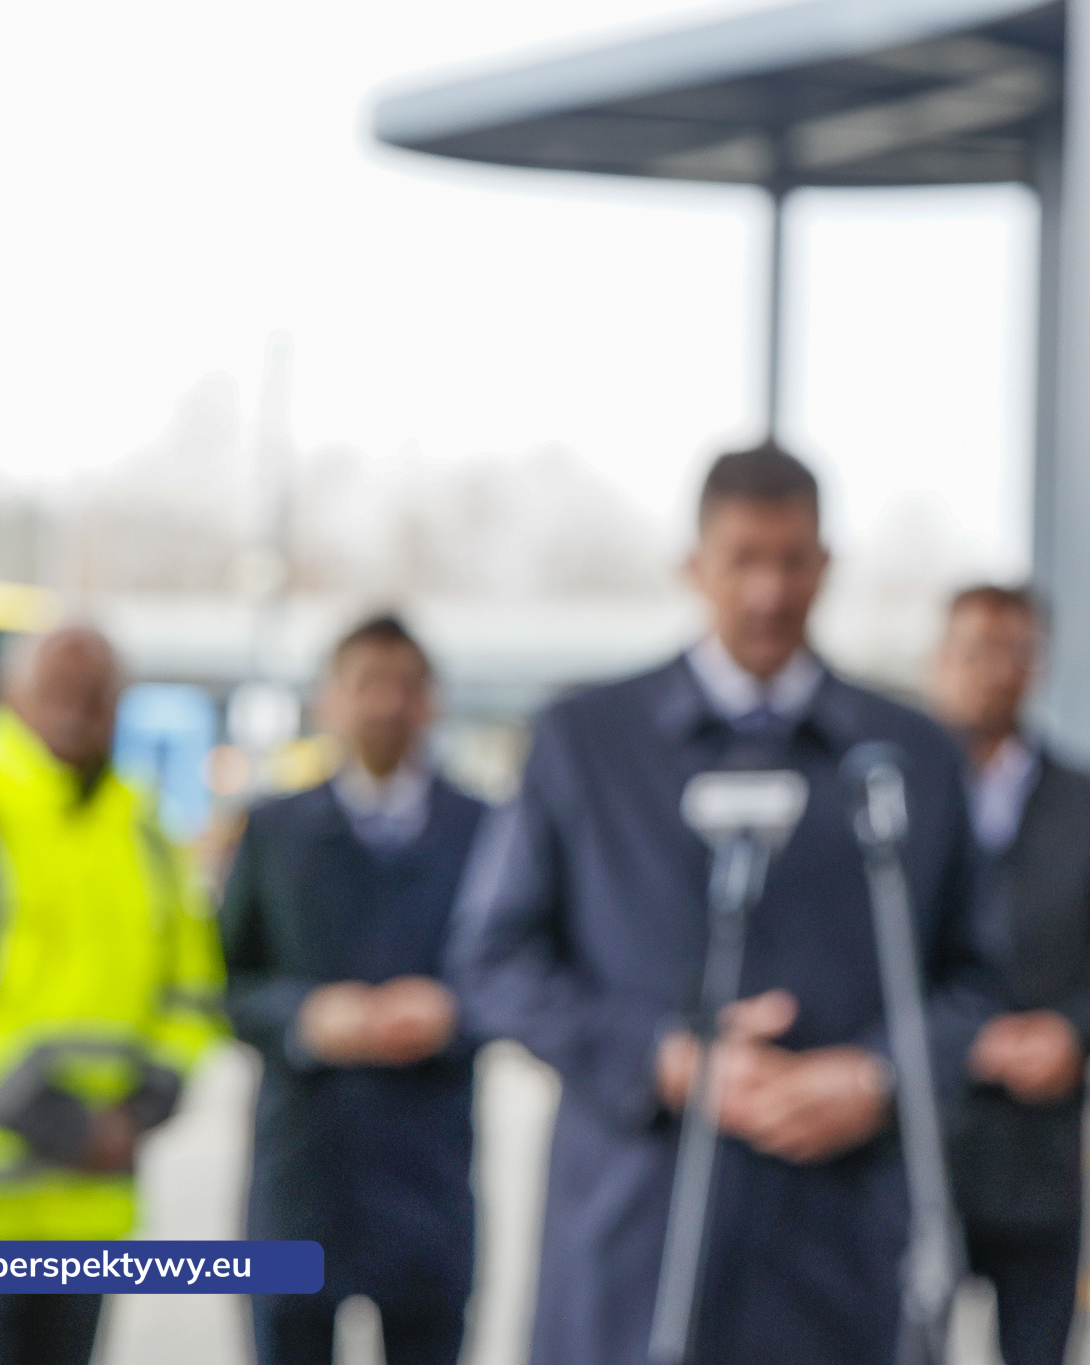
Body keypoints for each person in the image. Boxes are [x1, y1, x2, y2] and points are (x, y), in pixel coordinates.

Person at [447, 440, 997, 1365]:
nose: (768, 593)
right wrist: (663, 1059)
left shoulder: (913, 756)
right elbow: (492, 960)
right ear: (693, 567)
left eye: (792, 561)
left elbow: (979, 975)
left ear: (826, 566)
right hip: (631, 1232)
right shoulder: (585, 743)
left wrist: (874, 1075)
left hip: (843, 1237)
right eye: (743, 560)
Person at [0, 627, 225, 1365]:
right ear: (9, 694)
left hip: (88, 1213)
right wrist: (66, 1123)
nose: (79, 708)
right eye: (58, 687)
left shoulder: (147, 828)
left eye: (98, 693)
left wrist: (145, 1104)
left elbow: (192, 995)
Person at [220, 614, 491, 1365]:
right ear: (328, 700)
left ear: (432, 701)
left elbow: (519, 974)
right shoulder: (273, 828)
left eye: (405, 685)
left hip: (428, 1177)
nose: (386, 703)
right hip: (301, 1177)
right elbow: (224, 982)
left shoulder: (484, 829)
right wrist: (304, 1018)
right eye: (366, 683)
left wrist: (455, 1012)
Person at [927, 585, 1090, 1365]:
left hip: (1043, 1149)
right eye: (975, 650)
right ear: (937, 663)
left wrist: (1073, 1030)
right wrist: (962, 1042)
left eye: (1016, 652)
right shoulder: (895, 803)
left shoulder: (1086, 800)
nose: (995, 671)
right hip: (921, 1143)